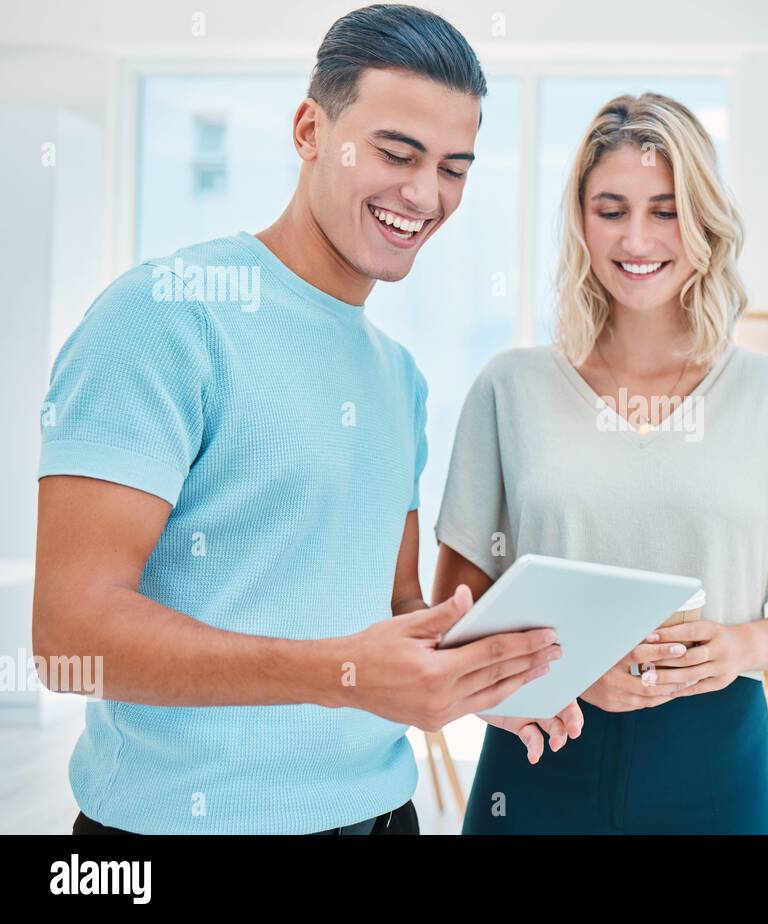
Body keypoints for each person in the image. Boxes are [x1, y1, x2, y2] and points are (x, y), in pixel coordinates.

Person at [32, 4, 578, 836]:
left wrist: (480, 678)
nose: (425, 195)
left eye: (454, 167)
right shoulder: (165, 316)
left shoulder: (399, 378)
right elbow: (69, 631)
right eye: (396, 153)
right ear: (308, 129)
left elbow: (392, 603)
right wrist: (344, 673)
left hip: (382, 817)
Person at [433, 92, 768, 834]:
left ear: (705, 221)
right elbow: (455, 619)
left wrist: (741, 644)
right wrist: (566, 673)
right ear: (581, 221)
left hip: (717, 764)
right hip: (540, 751)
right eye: (611, 208)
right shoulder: (511, 387)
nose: (637, 237)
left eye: (666, 209)